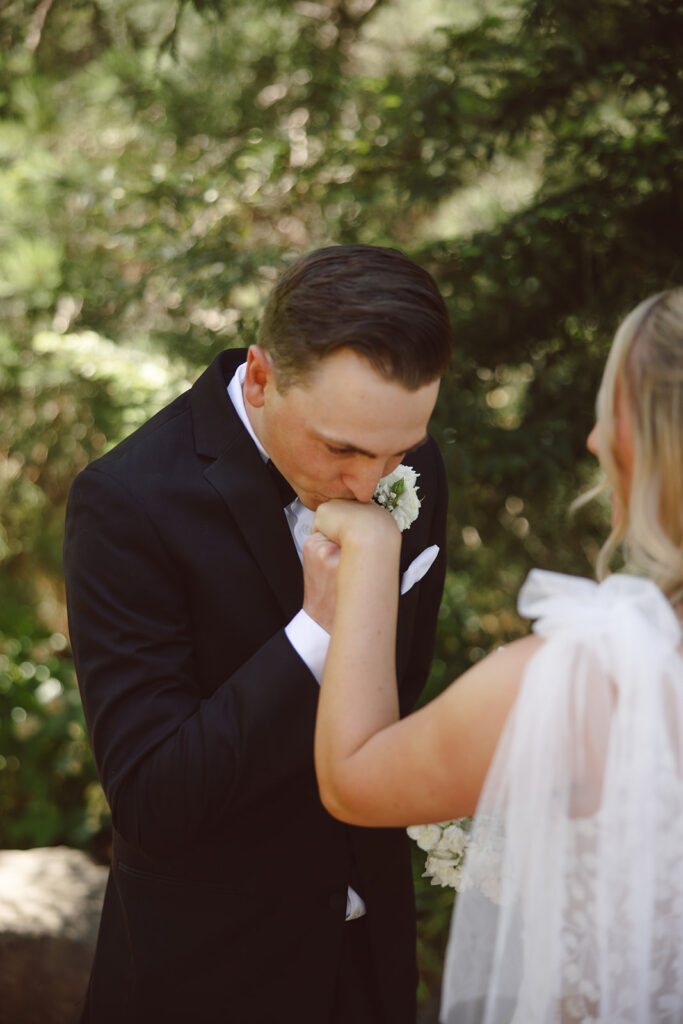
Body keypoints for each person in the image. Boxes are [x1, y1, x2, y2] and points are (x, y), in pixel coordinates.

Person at [62, 244, 452, 1024]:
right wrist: (318, 629)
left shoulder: (414, 472)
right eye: (340, 448)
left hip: (369, 966)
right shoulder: (125, 503)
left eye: (397, 452)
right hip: (205, 979)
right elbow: (151, 799)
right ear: (263, 376)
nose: (370, 486)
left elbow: (392, 706)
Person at [310, 288, 683, 1024]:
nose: (591, 441)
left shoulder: (597, 679)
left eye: (611, 409)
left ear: (652, 441)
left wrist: (373, 551)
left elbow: (353, 778)